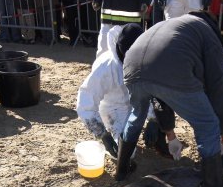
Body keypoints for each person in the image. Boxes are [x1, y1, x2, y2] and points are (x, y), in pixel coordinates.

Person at [119, 12, 223, 187]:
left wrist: (170, 135)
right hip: (169, 68)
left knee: (137, 115)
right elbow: (220, 88)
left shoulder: (173, 26)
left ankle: (121, 171)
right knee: (208, 124)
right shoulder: (207, 34)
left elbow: (159, 96)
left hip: (131, 65)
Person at [76, 23, 181, 159]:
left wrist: (154, 120)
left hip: (139, 101)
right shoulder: (106, 67)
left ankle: (159, 140)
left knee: (160, 113)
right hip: (114, 108)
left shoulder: (146, 57)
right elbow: (86, 101)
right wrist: (103, 135)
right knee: (125, 153)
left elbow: (156, 93)